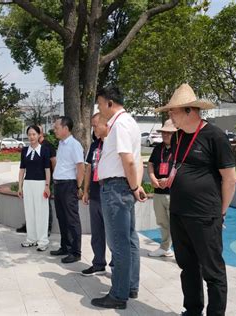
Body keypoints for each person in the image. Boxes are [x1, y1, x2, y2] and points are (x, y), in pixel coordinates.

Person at [155, 84, 236, 316]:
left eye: (173, 111)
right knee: (187, 267)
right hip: (179, 213)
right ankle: (192, 310)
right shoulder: (179, 137)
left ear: (190, 110)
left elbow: (229, 179)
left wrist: (219, 213)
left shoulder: (215, 136)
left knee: (212, 271)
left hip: (205, 215)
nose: (169, 115)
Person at [91, 87, 146, 310]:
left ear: (110, 103)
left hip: (116, 188)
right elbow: (137, 159)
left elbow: (129, 160)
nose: (99, 109)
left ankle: (118, 294)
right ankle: (130, 286)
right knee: (129, 240)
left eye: (100, 104)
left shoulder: (120, 124)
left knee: (119, 243)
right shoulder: (130, 122)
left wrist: (134, 186)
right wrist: (135, 186)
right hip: (122, 187)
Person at [50, 116, 85, 264]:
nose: (54, 130)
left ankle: (75, 252)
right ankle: (65, 246)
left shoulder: (74, 145)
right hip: (58, 185)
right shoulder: (61, 144)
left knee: (72, 219)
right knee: (61, 217)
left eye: (57, 127)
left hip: (69, 185)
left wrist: (78, 186)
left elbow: (80, 166)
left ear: (65, 128)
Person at [81, 109, 110, 276]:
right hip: (95, 195)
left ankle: (116, 267)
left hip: (109, 194)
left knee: (113, 235)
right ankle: (98, 263)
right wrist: (85, 190)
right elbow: (89, 168)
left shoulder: (113, 144)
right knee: (97, 232)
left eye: (95, 125)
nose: (93, 129)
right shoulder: (94, 145)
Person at [16, 125, 57, 235]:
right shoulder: (24, 151)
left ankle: (42, 240)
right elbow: (22, 170)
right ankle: (31, 238)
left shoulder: (45, 149)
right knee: (29, 212)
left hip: (41, 183)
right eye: (29, 135)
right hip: (28, 184)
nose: (31, 137)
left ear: (39, 135)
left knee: (41, 212)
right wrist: (20, 187)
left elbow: (47, 169)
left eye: (34, 134)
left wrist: (47, 186)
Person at [147, 119, 177, 257]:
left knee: (176, 224)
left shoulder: (179, 149)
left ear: (175, 134)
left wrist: (169, 180)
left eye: (169, 133)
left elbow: (182, 168)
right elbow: (151, 164)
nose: (165, 135)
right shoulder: (158, 148)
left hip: (174, 193)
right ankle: (165, 247)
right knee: (162, 221)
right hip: (158, 192)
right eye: (164, 132)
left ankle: (181, 251)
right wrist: (152, 178)